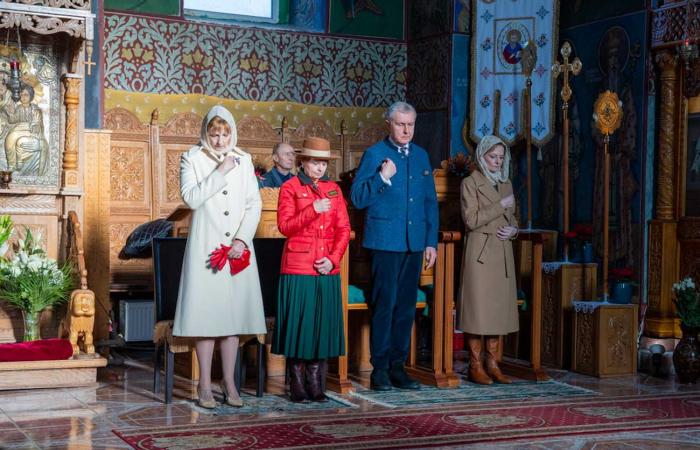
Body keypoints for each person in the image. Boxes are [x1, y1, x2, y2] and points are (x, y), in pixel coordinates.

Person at [173, 105, 266, 408]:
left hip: (237, 249)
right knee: (207, 318)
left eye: (225, 134)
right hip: (206, 249)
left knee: (232, 318)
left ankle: (229, 383)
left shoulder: (245, 159)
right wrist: (220, 171)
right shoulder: (192, 158)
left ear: (232, 133)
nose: (220, 140)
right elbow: (192, 197)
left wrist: (242, 238)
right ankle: (204, 386)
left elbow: (254, 204)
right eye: (215, 134)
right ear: (206, 134)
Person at [350, 101, 438, 391]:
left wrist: (430, 241)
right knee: (385, 306)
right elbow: (359, 198)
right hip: (385, 243)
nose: (406, 130)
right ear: (389, 123)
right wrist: (382, 178)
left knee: (406, 307)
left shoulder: (422, 156)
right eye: (401, 124)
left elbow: (429, 203)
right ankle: (380, 370)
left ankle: (398, 367)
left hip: (414, 244)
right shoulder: (375, 154)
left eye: (410, 124)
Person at [273, 136, 350, 402]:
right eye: (315, 162)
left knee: (321, 325)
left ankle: (316, 382)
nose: (320, 168)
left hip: (326, 267)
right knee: (299, 325)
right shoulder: (290, 187)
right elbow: (285, 226)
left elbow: (343, 229)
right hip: (298, 266)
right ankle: (296, 382)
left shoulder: (334, 189)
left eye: (324, 163)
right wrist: (313, 209)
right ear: (303, 161)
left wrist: (334, 259)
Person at [458, 134, 519, 385]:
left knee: (496, 312)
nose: (497, 161)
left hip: (502, 251)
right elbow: (471, 220)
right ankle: (475, 365)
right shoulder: (470, 182)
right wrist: (500, 205)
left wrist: (514, 230)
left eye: (501, 157)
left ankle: (493, 363)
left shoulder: (506, 183)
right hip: (480, 253)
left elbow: (513, 217)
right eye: (492, 157)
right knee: (477, 311)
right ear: (481, 157)